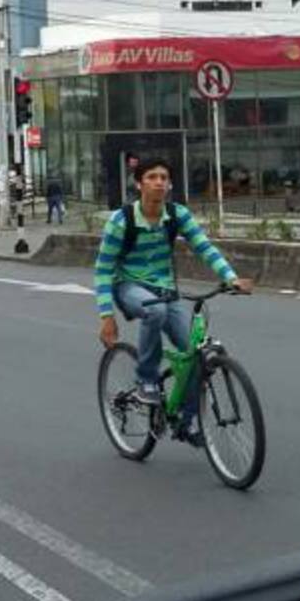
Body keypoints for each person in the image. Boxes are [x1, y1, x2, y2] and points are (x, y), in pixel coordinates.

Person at [95, 157, 254, 433]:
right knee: (154, 311)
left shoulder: (177, 214)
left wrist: (230, 278)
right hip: (129, 286)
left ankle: (186, 421)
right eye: (152, 177)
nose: (159, 182)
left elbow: (205, 247)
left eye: (164, 178)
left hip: (166, 289)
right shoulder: (121, 221)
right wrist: (106, 316)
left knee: (196, 354)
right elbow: (103, 270)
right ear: (139, 184)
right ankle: (146, 379)